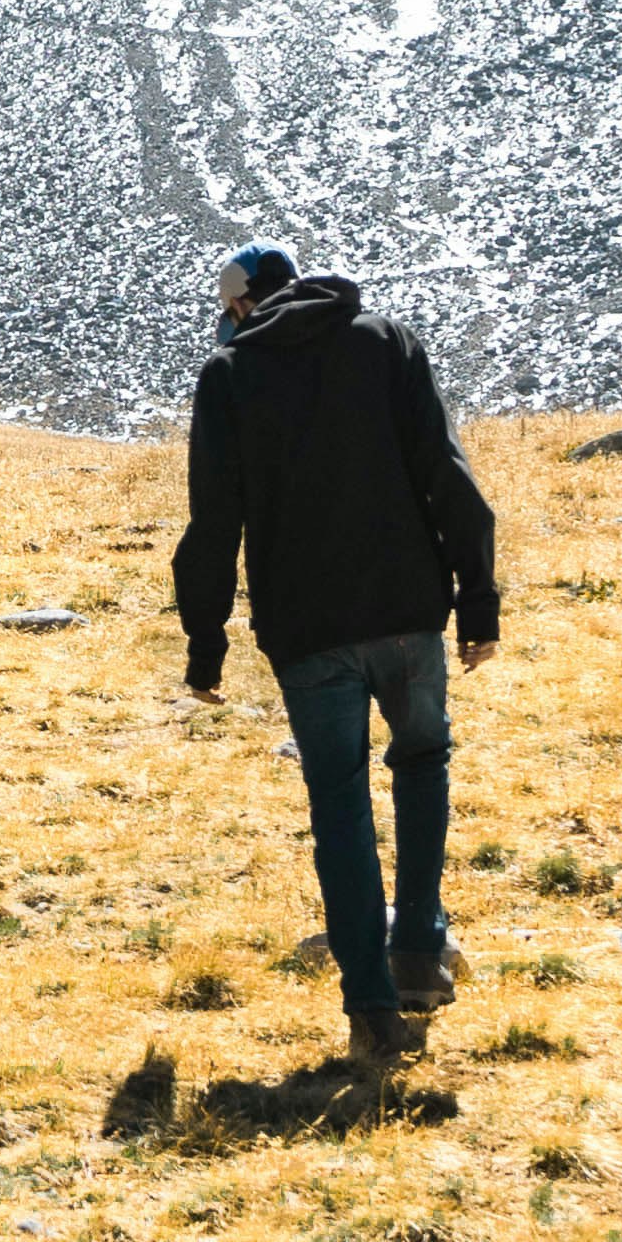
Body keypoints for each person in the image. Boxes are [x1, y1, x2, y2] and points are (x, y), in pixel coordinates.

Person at [170, 243, 498, 1070]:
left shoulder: (231, 375)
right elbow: (445, 471)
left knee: (340, 806)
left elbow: (215, 523)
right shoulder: (384, 340)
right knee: (423, 762)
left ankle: (372, 1012)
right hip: (409, 612)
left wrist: (205, 644)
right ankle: (420, 949)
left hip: (310, 630)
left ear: (243, 306)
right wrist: (477, 598)